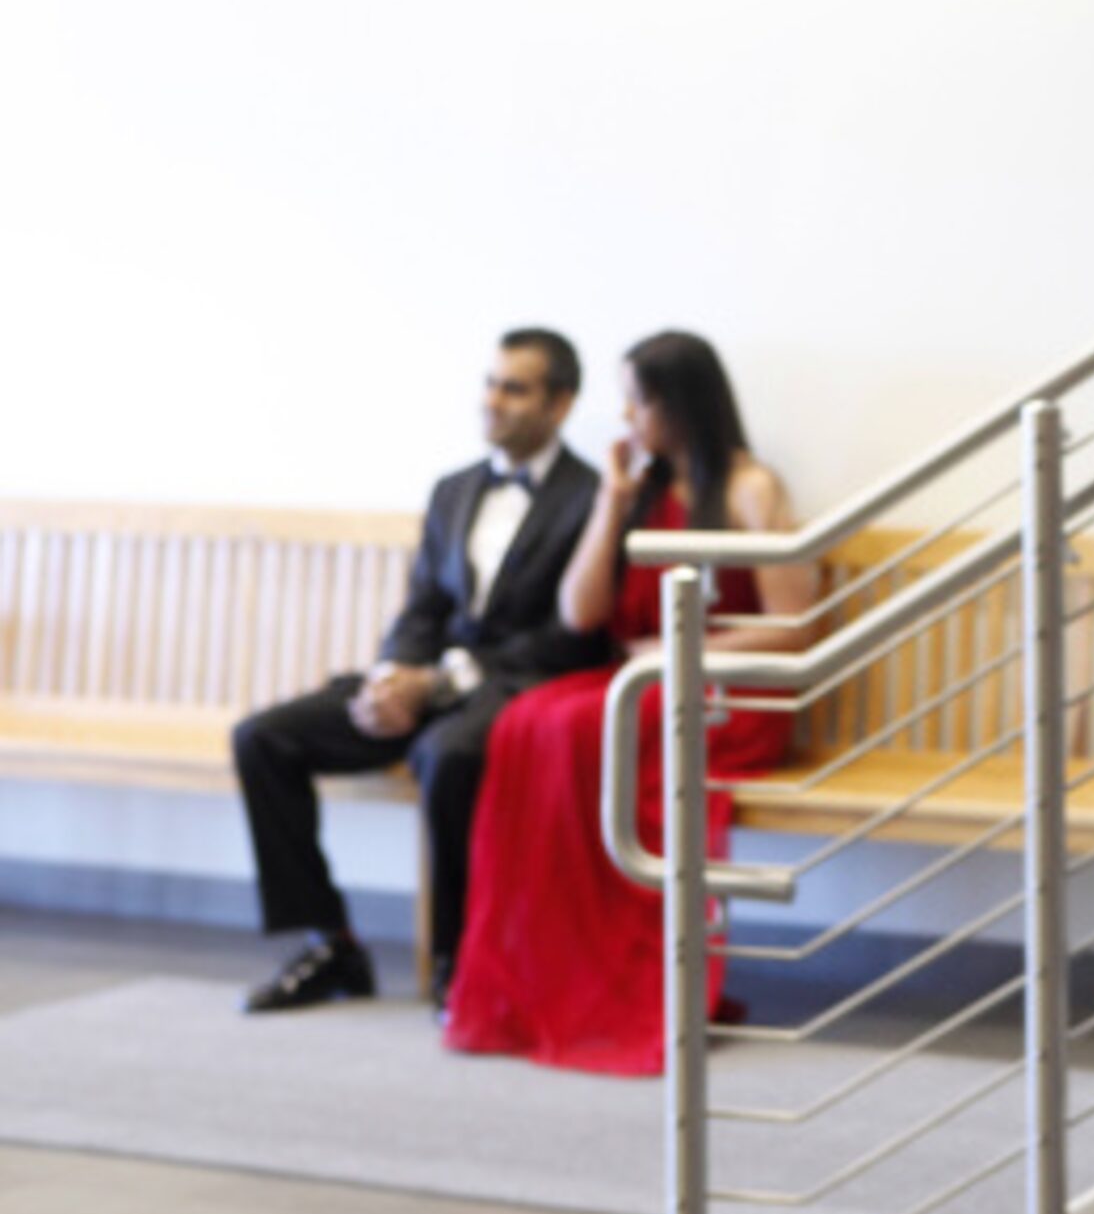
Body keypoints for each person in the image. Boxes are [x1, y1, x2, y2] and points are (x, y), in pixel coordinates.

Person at [440, 329, 817, 1076]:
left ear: (681, 405)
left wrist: (686, 651)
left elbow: (793, 625)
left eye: (638, 401)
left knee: (585, 722)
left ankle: (635, 979)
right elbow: (582, 613)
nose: (627, 418)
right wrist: (612, 503)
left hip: (723, 696)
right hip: (646, 680)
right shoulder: (636, 490)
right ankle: (554, 968)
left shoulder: (749, 487)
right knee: (527, 721)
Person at [232, 329, 607, 1014]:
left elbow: (569, 638)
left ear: (560, 404)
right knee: (261, 737)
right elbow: (422, 606)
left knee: (448, 756)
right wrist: (391, 677)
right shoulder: (454, 489)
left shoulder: (592, 498)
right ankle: (330, 945)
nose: (491, 401)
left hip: (512, 690)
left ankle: (456, 963)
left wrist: (440, 683)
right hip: (427, 683)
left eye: (514, 388)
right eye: (489, 383)